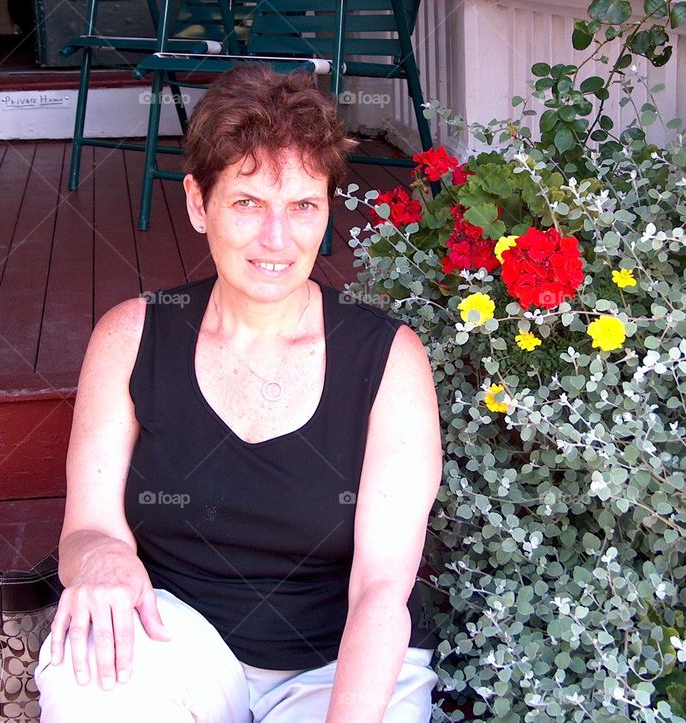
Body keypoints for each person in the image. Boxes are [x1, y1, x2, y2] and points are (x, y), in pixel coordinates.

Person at [34, 65, 442, 722]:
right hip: (175, 642)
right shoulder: (133, 336)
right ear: (199, 203)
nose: (277, 240)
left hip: (337, 660)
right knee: (89, 694)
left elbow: (380, 588)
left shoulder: (386, 358)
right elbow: (85, 528)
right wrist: (103, 556)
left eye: (302, 206)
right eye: (248, 203)